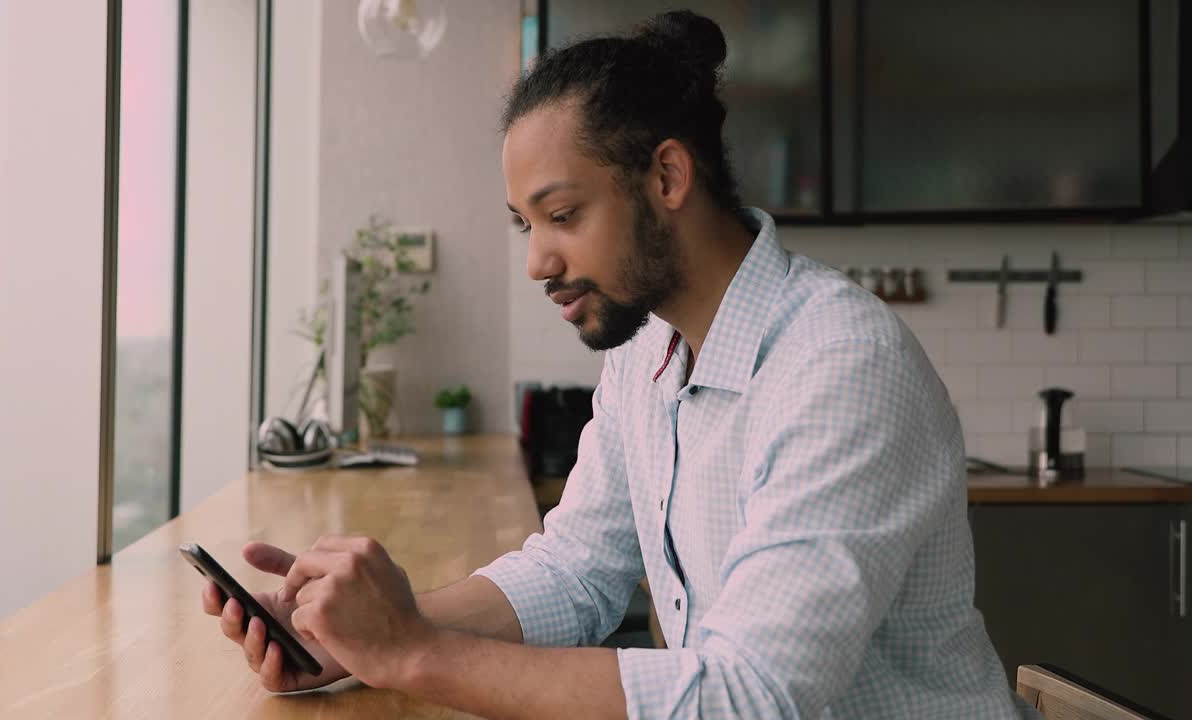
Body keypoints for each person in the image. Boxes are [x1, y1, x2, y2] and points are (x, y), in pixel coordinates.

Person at [202, 10, 1037, 719]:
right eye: (527, 226)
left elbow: (750, 695)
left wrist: (414, 655)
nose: (539, 262)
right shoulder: (647, 351)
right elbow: (576, 572)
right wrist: (356, 637)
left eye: (562, 214)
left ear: (668, 175)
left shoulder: (841, 366)